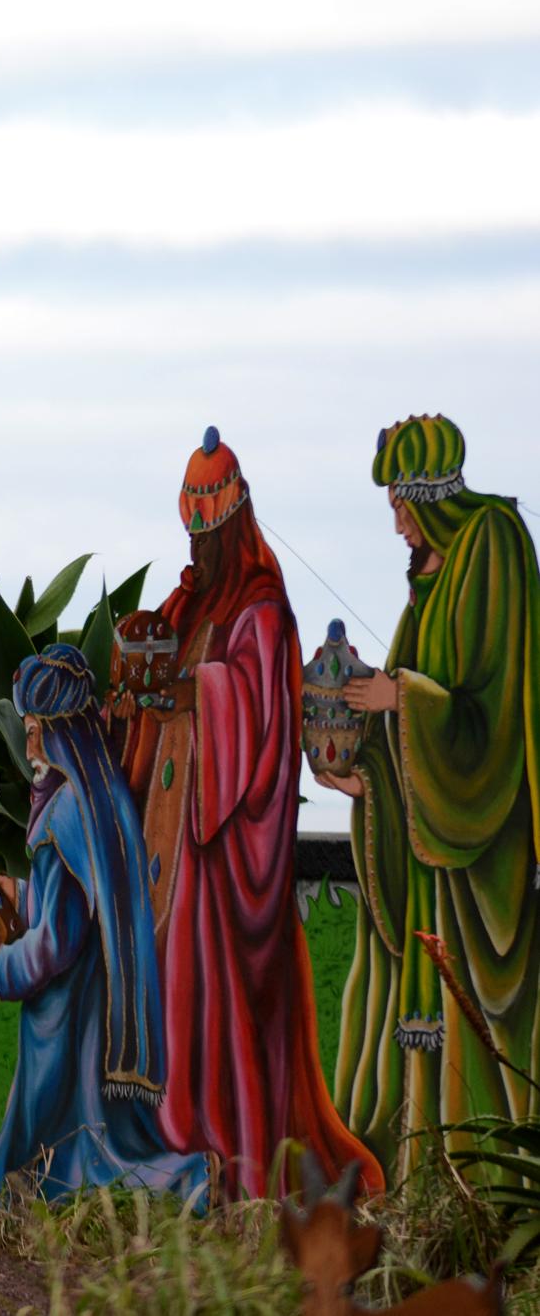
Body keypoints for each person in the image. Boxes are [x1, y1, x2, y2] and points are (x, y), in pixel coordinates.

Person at [112, 428, 381, 1199]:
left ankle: (228, 1159)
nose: (199, 546)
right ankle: (171, 1150)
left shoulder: (261, 610)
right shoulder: (189, 598)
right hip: (170, 843)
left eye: (209, 530)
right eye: (191, 531)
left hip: (219, 858)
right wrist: (141, 642)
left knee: (211, 1001)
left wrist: (196, 690)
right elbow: (154, 668)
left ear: (233, 523)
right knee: (170, 997)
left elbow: (260, 717)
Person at [318, 415, 540, 1170]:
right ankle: (425, 1183)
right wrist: (360, 778)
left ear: (428, 496)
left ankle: (483, 1185)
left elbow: (492, 710)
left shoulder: (495, 545)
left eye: (400, 507)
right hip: (430, 852)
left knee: (475, 1020)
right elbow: (397, 713)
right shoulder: (433, 574)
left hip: (482, 839)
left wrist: (400, 697)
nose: (397, 526)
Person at [0, 646, 212, 1202]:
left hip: (67, 1015)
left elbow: (56, 941)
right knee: (91, 1138)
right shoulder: (100, 799)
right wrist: (23, 893)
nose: (29, 748)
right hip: (99, 1003)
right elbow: (78, 899)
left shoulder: (61, 814)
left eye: (36, 732)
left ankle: (180, 1179)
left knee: (64, 1144)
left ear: (60, 733)